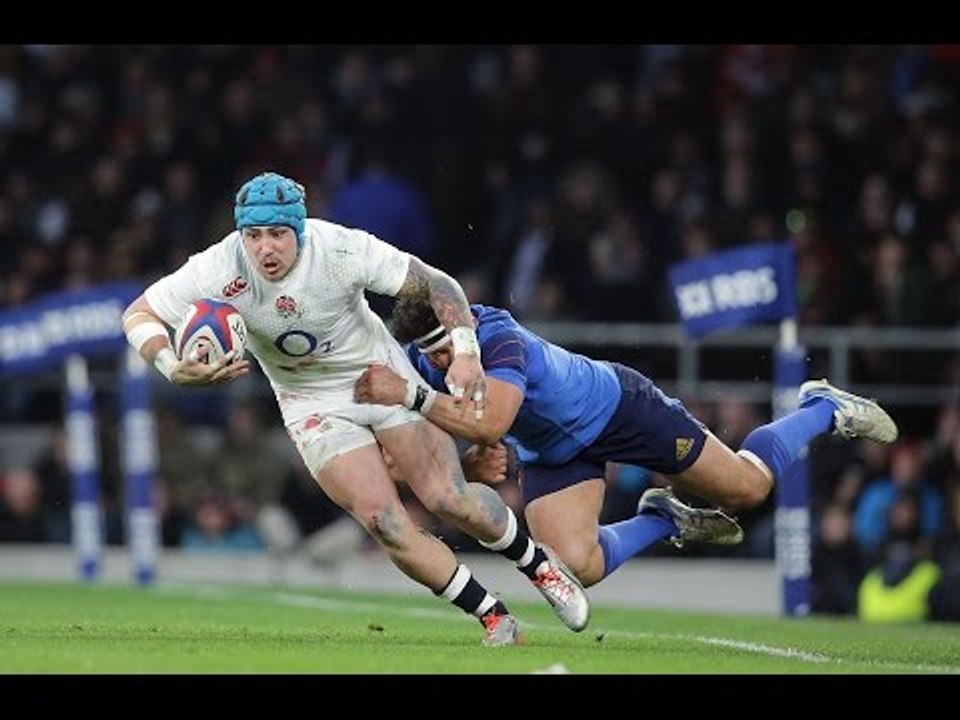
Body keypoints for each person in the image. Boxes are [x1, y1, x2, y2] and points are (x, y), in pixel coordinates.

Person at [120, 171, 590, 646]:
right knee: (383, 522)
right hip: (307, 400)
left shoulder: (340, 250)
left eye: (278, 234)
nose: (265, 248)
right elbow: (137, 313)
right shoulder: (219, 267)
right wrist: (170, 366)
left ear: (300, 231)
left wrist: (466, 352)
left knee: (449, 499)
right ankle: (494, 618)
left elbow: (436, 283)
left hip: (377, 374)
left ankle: (539, 568)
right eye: (254, 235)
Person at [354, 299, 899, 589]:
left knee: (747, 489)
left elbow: (491, 421)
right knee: (575, 567)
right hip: (555, 452)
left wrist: (411, 397)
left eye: (448, 349)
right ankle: (666, 518)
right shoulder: (426, 363)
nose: (443, 363)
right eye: (432, 355)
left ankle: (823, 407)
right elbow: (415, 465)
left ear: (465, 326)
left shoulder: (499, 338)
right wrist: (469, 463)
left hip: (619, 410)